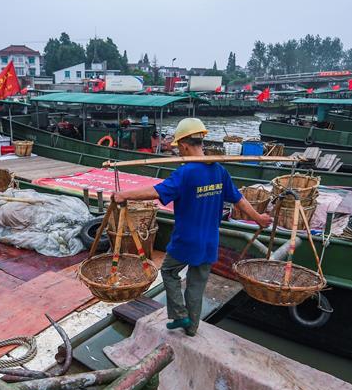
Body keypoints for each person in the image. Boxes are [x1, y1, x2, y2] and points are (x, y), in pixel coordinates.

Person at [112, 118, 272, 336]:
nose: (178, 151)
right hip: (209, 242)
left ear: (185, 145)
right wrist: (258, 218)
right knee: (196, 285)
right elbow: (239, 199)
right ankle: (192, 328)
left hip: (186, 240)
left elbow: (157, 191)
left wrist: (124, 195)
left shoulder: (185, 172)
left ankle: (179, 315)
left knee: (169, 272)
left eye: (178, 147)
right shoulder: (219, 171)